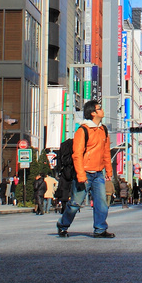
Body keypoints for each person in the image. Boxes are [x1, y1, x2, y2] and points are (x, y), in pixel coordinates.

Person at [57, 100, 115, 238]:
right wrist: (81, 175)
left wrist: (109, 170)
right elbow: (77, 154)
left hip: (98, 173)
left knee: (101, 204)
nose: (102, 110)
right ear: (93, 113)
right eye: (99, 108)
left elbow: (106, 152)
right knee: (75, 204)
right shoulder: (82, 130)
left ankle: (100, 229)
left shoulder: (103, 129)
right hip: (84, 174)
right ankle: (63, 224)